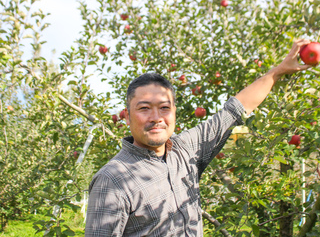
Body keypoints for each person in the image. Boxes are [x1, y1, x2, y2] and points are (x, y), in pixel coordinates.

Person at [85, 39, 312, 236]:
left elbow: (234, 110)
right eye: (144, 108)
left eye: (164, 107)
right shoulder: (112, 180)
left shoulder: (185, 150)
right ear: (127, 116)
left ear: (174, 113)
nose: (156, 117)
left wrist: (277, 71)